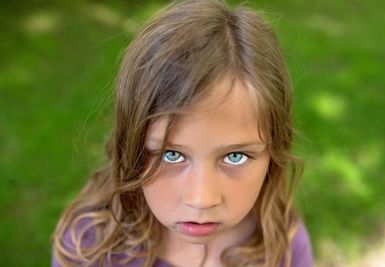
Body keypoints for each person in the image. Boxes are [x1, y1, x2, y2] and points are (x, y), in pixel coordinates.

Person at [51, 0, 313, 266]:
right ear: (129, 145)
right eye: (171, 154)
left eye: (235, 156)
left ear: (274, 151)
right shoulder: (89, 249)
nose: (201, 200)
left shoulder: (283, 243)